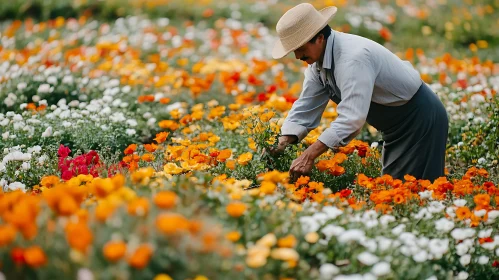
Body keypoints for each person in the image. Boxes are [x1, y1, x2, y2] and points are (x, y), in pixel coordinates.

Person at [270, 3, 449, 182]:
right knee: (396, 190)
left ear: (319, 38)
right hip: (395, 128)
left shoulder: (352, 59)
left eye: (300, 48)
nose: (297, 56)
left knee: (412, 191)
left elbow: (352, 118)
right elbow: (305, 107)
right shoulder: (317, 65)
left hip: (420, 120)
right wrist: (281, 143)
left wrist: (309, 155)